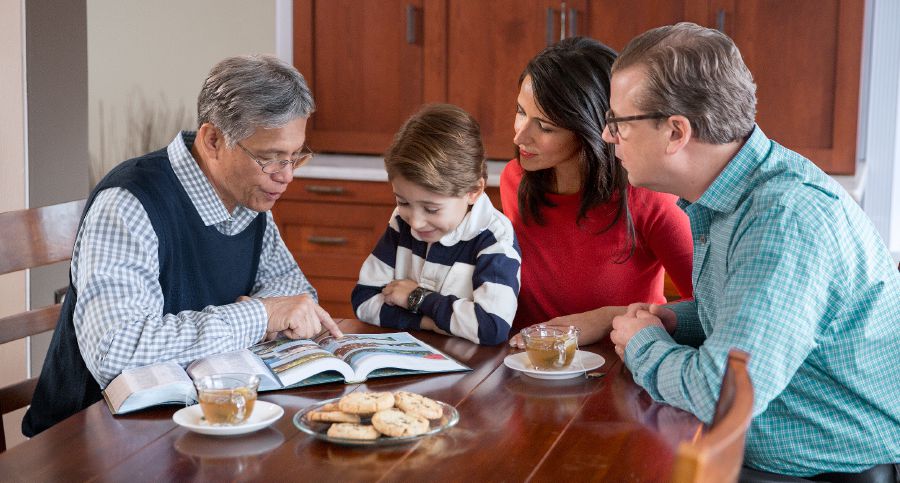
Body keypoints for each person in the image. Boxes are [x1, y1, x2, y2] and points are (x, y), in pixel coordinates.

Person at [605, 23, 900, 480]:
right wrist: (676, 322)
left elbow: (717, 392)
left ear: (676, 133)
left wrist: (643, 345)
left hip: (828, 471)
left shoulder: (783, 219)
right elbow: (752, 324)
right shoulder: (740, 195)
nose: (608, 137)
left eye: (619, 122)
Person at [23, 54, 343, 436]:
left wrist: (270, 312)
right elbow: (117, 353)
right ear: (212, 140)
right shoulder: (128, 204)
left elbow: (295, 296)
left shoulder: (248, 197)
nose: (286, 176)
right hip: (93, 438)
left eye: (295, 157)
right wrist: (259, 316)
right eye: (270, 159)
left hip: (194, 423)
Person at [502, 36, 693, 346]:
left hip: (617, 372)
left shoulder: (649, 198)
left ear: (591, 130)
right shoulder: (516, 179)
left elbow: (709, 310)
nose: (520, 135)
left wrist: (607, 319)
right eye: (521, 111)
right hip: (522, 365)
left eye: (546, 126)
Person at [352, 103, 521, 346]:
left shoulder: (494, 237)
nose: (416, 222)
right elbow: (364, 299)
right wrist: (428, 323)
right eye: (403, 202)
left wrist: (417, 298)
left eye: (432, 209)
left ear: (474, 191)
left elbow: (491, 326)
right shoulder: (401, 223)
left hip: (472, 374)